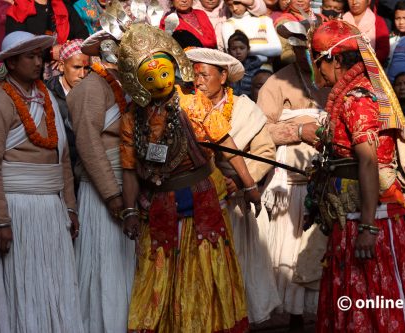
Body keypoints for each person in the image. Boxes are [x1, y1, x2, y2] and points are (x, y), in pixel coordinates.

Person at [117, 23, 261, 332]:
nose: (159, 82)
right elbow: (129, 169)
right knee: (160, 272)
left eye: (164, 74)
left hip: (202, 200)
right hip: (159, 206)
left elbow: (226, 143)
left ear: (175, 69)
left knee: (207, 271)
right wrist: (129, 211)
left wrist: (249, 184)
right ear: (139, 82)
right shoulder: (132, 118)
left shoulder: (194, 103)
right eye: (150, 77)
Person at [310, 19, 405, 332]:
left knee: (374, 293)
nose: (316, 70)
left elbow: (367, 162)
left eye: (317, 61)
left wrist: (367, 226)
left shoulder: (355, 99)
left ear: (333, 59)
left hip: (370, 215)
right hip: (354, 212)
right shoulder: (355, 93)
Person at [0, 31, 83, 333]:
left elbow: (63, 157)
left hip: (51, 207)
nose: (37, 62)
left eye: (39, 56)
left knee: (55, 281)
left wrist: (70, 207)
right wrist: (1, 220)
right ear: (11, 63)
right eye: (29, 57)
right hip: (18, 209)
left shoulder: (46, 97)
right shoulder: (0, 101)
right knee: (25, 282)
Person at [186, 46, 280, 324]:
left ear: (223, 76)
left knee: (235, 266)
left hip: (234, 205)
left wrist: (240, 180)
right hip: (195, 203)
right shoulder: (186, 106)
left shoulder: (245, 109)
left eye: (204, 75)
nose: (198, 81)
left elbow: (265, 152)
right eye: (195, 76)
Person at [257, 20, 330, 331]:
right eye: (301, 50)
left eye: (312, 51)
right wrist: (300, 129)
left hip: (324, 180)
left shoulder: (334, 83)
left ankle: (317, 311)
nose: (306, 56)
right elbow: (259, 132)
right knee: (285, 245)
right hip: (288, 182)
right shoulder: (276, 83)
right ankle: (290, 314)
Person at [66, 30, 136, 333]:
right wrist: (111, 195)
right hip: (103, 191)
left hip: (132, 186)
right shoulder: (91, 88)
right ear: (109, 51)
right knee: (106, 264)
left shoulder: (131, 86)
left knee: (128, 264)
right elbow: (88, 144)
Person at [45, 39, 90, 184]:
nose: (82, 74)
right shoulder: (46, 94)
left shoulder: (94, 92)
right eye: (76, 67)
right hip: (56, 175)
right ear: (61, 66)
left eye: (86, 68)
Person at [342, 0, 390, 65]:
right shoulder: (341, 21)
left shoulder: (378, 21)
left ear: (369, 1)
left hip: (370, 68)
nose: (354, 2)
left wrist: (367, 64)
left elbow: (383, 50)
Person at [227, 31, 264, 97]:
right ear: (228, 51)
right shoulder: (226, 69)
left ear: (248, 49)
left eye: (242, 48)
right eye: (234, 49)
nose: (238, 52)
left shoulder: (256, 70)